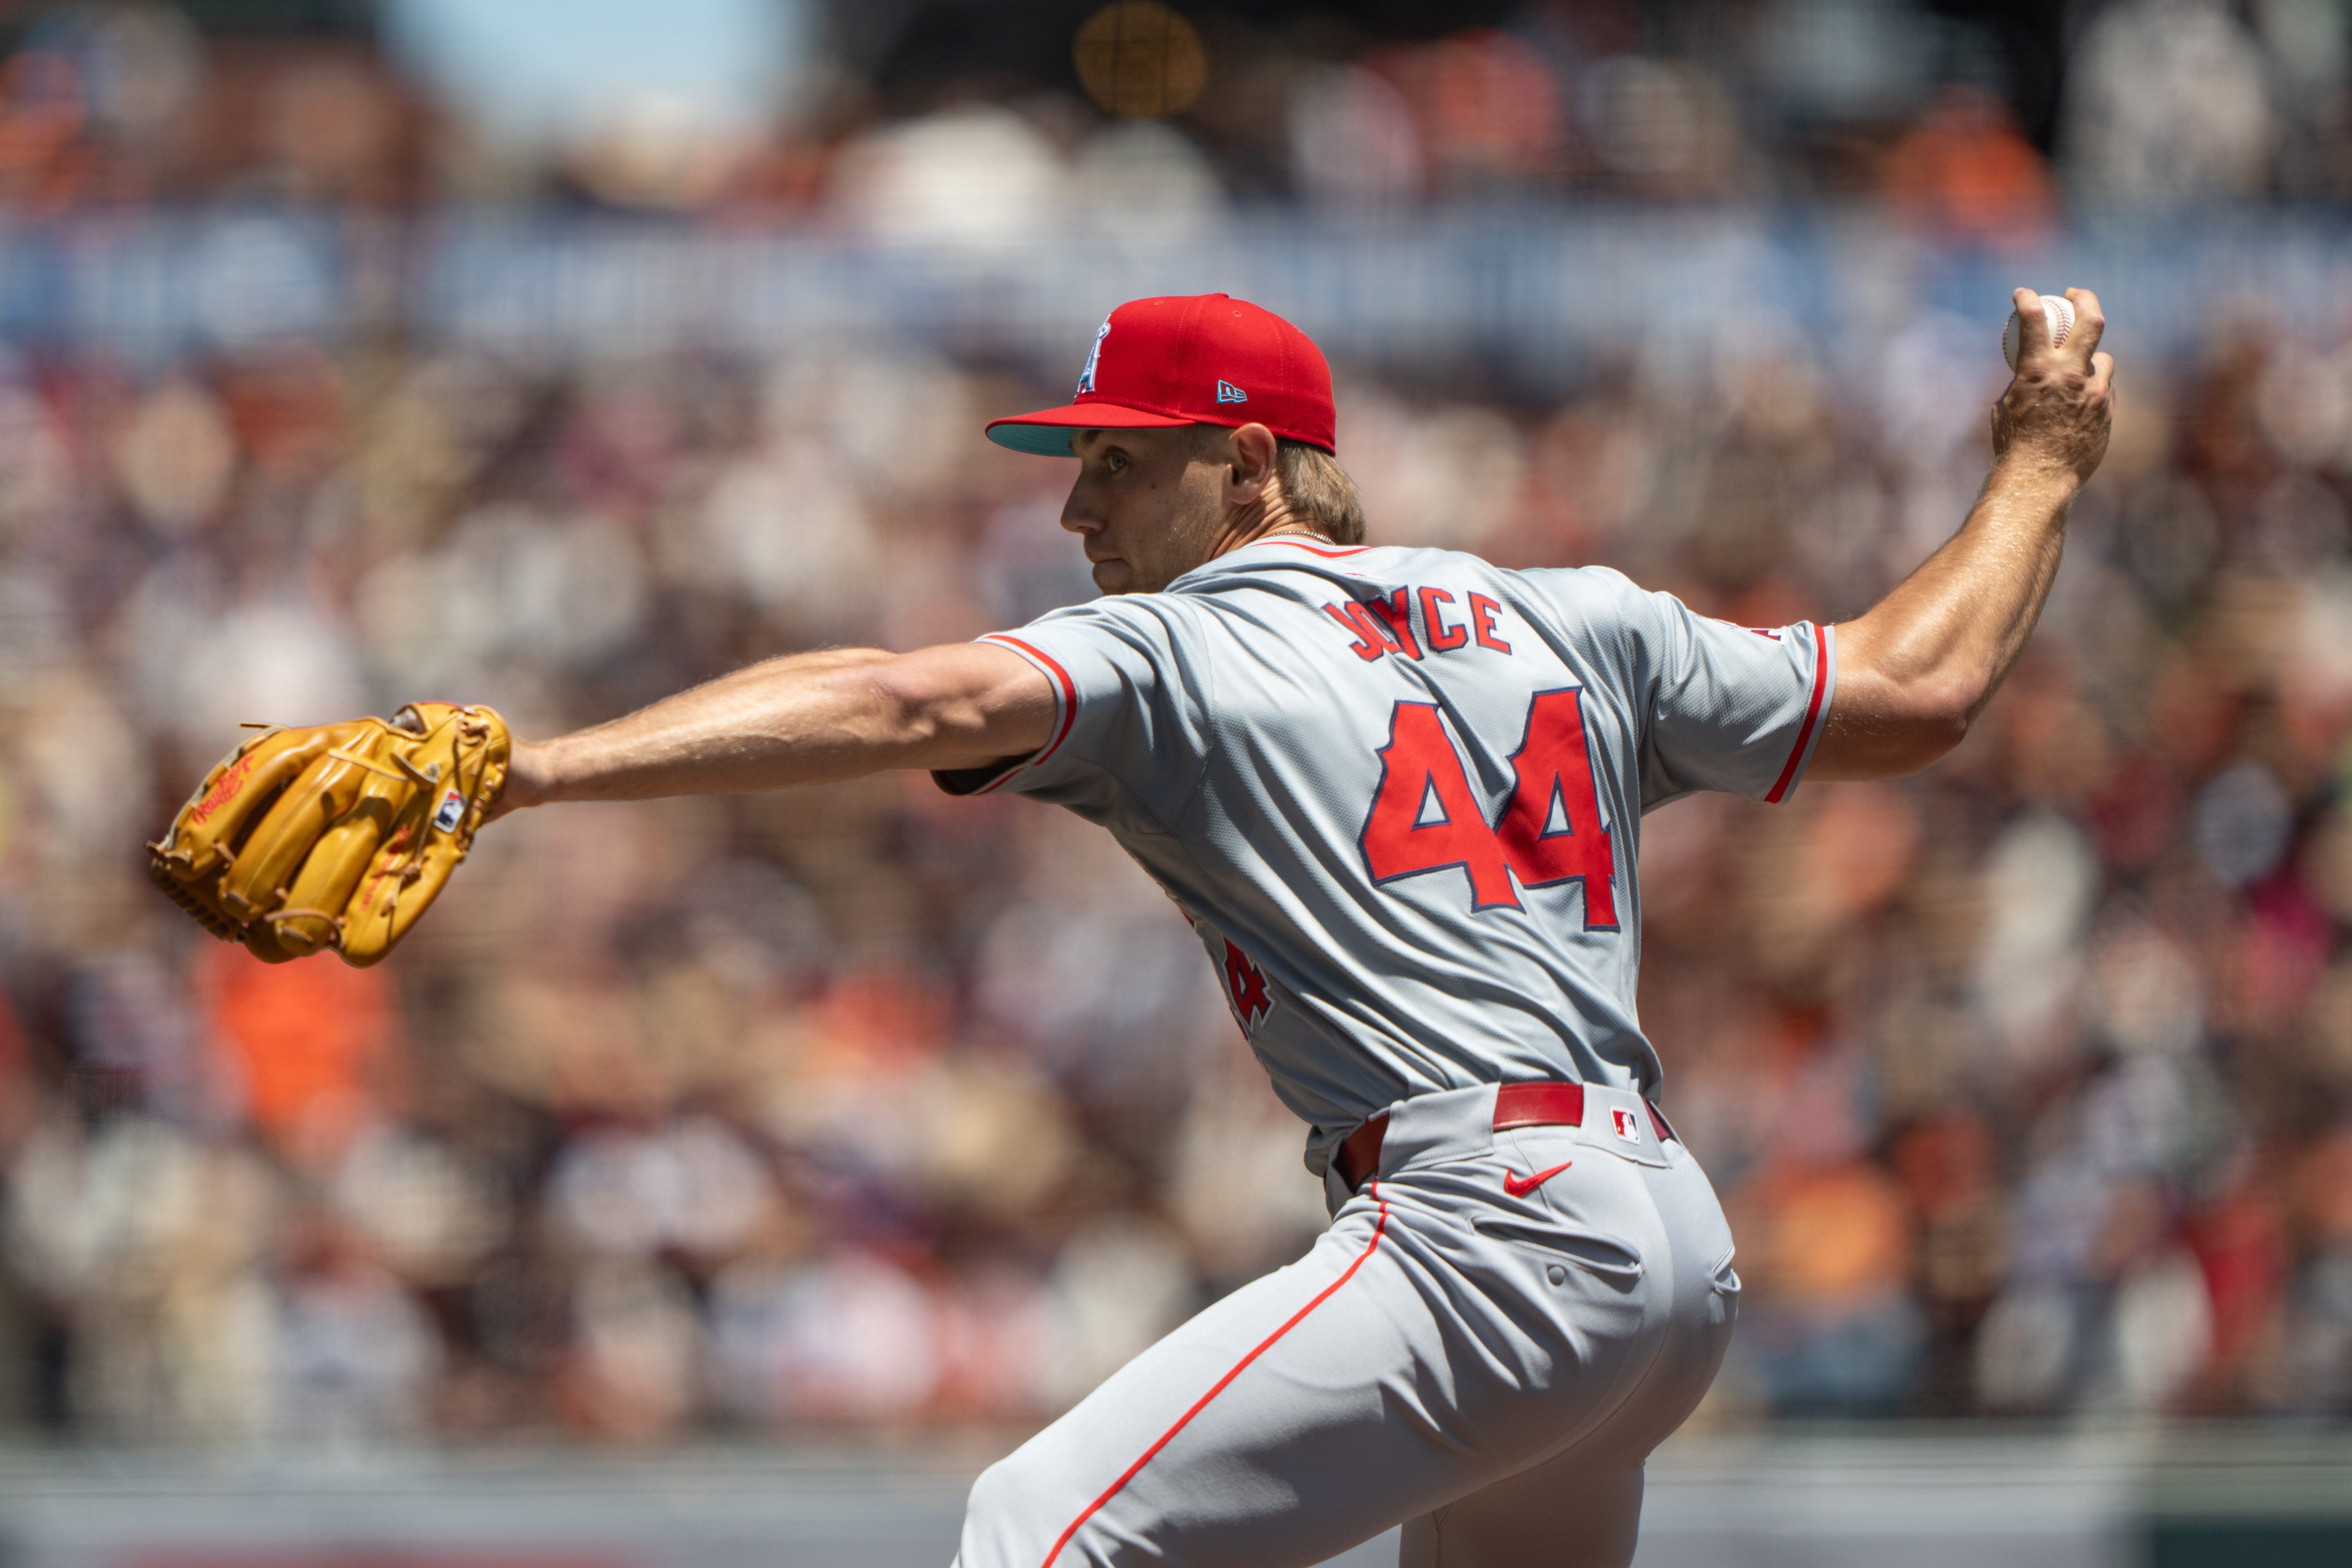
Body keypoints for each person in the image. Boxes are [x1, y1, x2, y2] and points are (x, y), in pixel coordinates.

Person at [492, 290, 2113, 1567]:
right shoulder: (1576, 615)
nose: (1079, 511)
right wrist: (2041, 459)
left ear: (1249, 465)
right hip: (1667, 1255)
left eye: (1119, 461)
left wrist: (540, 770)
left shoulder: (1177, 651)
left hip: (1488, 1227)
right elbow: (1917, 689)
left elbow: (910, 694)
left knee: (1040, 1533)